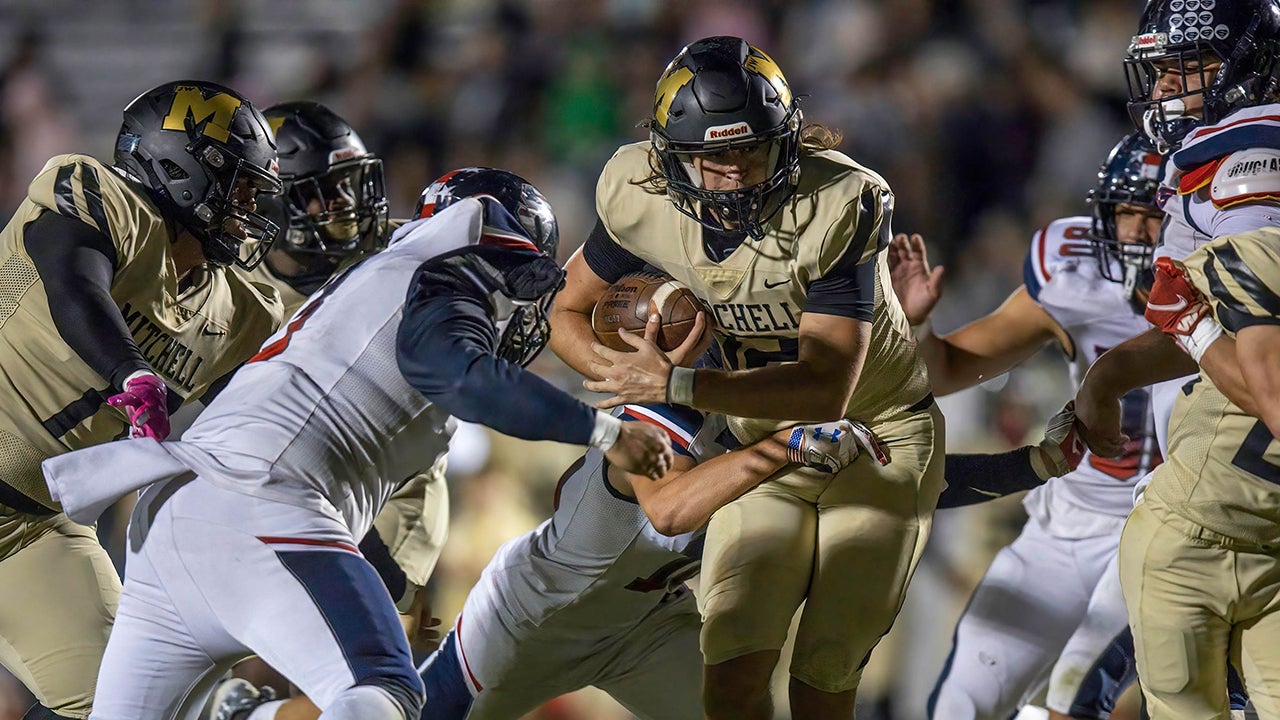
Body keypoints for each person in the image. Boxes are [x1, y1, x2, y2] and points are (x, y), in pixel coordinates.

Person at [40, 168, 674, 720]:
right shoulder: (449, 271)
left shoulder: (387, 277)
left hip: (173, 520)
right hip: (257, 508)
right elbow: (456, 375)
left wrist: (387, 576)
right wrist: (607, 431)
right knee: (383, 689)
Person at [548, 35, 944, 719]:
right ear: (671, 158)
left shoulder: (842, 199)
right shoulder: (638, 193)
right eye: (711, 157)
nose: (732, 173)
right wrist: (625, 374)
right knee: (730, 671)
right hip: (761, 440)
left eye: (748, 151)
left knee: (824, 669)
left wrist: (673, 386)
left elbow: (826, 387)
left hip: (875, 434)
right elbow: (565, 310)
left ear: (785, 142)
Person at [413, 332, 1081, 720]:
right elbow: (669, 508)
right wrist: (779, 449)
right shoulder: (665, 420)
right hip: (532, 619)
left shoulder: (774, 433)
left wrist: (1038, 463)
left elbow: (903, 483)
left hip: (650, 627)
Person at [0, 79, 285, 720]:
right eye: (240, 186)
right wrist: (131, 373)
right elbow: (74, 282)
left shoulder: (239, 310)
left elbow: (266, 416)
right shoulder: (96, 192)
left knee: (132, 707)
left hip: (31, 531)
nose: (251, 207)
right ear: (180, 167)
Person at [892, 134, 1164, 720]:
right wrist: (915, 326)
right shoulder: (1073, 282)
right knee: (960, 705)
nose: (1139, 234)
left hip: (1165, 531)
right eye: (1127, 214)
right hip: (1069, 523)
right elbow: (945, 372)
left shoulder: (1241, 294)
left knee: (1068, 700)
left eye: (1156, 216)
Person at [207, 101, 449, 718]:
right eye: (322, 194)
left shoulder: (396, 258)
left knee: (381, 686)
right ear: (270, 201)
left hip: (389, 491)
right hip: (274, 490)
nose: (344, 209)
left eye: (350, 187)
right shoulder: (229, 286)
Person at [1073, 0, 1280, 715]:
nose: (1162, 88)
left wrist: (1192, 327)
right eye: (1157, 70)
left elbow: (1262, 377)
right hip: (1206, 515)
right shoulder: (1217, 171)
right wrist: (1107, 378)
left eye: (1181, 68)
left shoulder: (1247, 169)